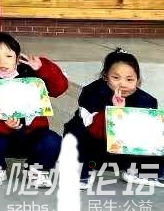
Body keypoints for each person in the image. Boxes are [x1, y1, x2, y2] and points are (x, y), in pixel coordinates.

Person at [0, 32, 68, 187]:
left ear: (17, 58)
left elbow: (59, 88)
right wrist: (3, 124)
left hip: (31, 134)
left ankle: (36, 169)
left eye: (9, 56)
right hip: (0, 135)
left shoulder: (30, 73)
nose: (3, 61)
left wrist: (43, 67)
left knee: (52, 140)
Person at [63, 48, 160, 182]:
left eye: (129, 79)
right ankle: (81, 172)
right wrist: (115, 112)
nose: (123, 84)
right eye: (116, 78)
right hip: (94, 154)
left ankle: (141, 172)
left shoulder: (147, 101)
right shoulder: (91, 93)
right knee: (74, 130)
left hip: (123, 156)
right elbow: (92, 127)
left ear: (138, 80)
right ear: (105, 76)